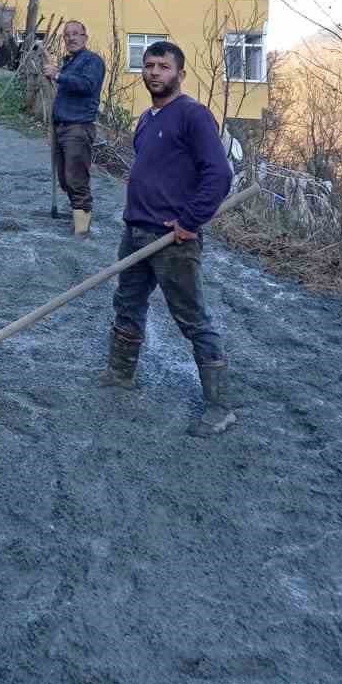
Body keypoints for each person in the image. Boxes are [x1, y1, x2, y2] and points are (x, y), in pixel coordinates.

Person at [97, 39, 236, 436]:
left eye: (163, 66)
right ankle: (120, 372)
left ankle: (219, 407)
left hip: (173, 241)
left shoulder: (193, 116)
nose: (154, 72)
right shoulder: (146, 119)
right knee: (127, 304)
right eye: (149, 65)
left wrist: (190, 222)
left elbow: (218, 175)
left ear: (180, 74)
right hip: (136, 231)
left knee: (193, 319)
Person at [43, 20, 106, 235]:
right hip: (61, 127)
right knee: (64, 178)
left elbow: (87, 85)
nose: (71, 38)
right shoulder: (69, 62)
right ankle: (77, 216)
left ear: (85, 37)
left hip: (78, 128)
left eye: (76, 34)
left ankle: (82, 232)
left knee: (76, 179)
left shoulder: (93, 61)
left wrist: (58, 75)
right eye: (67, 35)